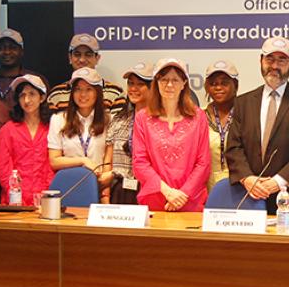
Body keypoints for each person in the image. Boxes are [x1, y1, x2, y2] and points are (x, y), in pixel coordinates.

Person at [225, 36, 289, 214]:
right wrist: (247, 178)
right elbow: (233, 147)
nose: (274, 66)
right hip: (248, 197)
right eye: (270, 59)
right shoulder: (243, 102)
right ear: (261, 61)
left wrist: (277, 182)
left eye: (282, 60)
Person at [132, 58, 210, 212]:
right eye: (164, 79)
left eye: (175, 80)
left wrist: (182, 194)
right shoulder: (142, 118)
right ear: (156, 83)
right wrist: (168, 192)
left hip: (189, 200)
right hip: (154, 199)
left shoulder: (199, 117)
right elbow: (139, 163)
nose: (169, 85)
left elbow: (203, 163)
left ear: (184, 83)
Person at [47, 67, 111, 202]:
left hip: (99, 187)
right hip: (68, 187)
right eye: (78, 89)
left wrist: (105, 195)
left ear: (97, 92)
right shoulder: (58, 120)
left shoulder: (108, 120)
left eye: (88, 89)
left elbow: (107, 161)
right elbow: (54, 161)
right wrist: (84, 161)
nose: (83, 95)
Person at [0, 74, 53, 205]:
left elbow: (53, 166)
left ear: (42, 97)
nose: (27, 100)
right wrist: (16, 196)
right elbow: (4, 169)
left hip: (45, 200)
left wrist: (47, 194)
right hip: (14, 202)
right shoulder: (8, 130)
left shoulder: (52, 128)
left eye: (32, 94)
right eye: (22, 95)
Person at [103, 62, 152, 205]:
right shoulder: (118, 119)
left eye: (140, 84)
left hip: (147, 190)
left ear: (153, 87)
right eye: (130, 84)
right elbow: (108, 160)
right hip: (119, 190)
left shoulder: (159, 122)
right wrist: (105, 196)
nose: (134, 89)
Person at [46, 33, 126, 116]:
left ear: (97, 58)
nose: (82, 60)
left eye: (88, 55)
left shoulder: (115, 93)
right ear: (70, 58)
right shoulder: (56, 94)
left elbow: (118, 128)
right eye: (77, 54)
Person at [0, 28, 49, 109]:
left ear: (21, 51)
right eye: (2, 48)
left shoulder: (36, 80)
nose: (7, 52)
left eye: (13, 47)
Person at [203, 60, 239, 191]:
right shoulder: (199, 117)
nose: (218, 87)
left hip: (241, 186)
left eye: (224, 83)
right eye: (213, 84)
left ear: (235, 84)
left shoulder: (246, 114)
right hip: (206, 189)